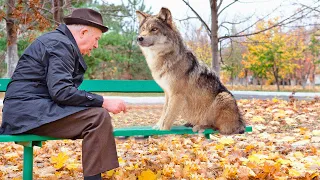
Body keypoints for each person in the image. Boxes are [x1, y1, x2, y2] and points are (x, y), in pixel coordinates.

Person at [0, 8, 126, 180]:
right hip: (26, 113)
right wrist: (103, 101)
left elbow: (59, 90)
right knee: (97, 117)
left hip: (29, 110)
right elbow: (62, 92)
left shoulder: (59, 42)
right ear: (83, 32)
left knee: (97, 116)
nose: (96, 45)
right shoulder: (60, 44)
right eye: (96, 39)